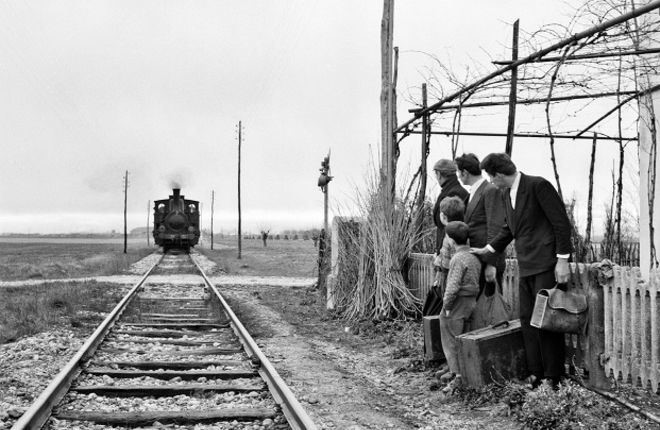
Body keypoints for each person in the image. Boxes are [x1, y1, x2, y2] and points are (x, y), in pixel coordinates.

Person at [472, 153, 572, 387]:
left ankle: (553, 376)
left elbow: (560, 223)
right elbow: (508, 229)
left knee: (546, 320)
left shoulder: (538, 185)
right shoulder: (506, 194)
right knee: (527, 319)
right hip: (526, 265)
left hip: (546, 263)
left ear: (498, 174)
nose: (491, 181)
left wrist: (563, 260)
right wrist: (487, 249)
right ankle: (536, 372)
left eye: (490, 176)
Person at [439, 221, 482, 392]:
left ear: (450, 239)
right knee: (464, 336)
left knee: (451, 336)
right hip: (471, 301)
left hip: (458, 302)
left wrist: (447, 306)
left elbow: (452, 286)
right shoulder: (473, 256)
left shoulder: (457, 259)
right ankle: (462, 372)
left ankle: (457, 375)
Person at [455, 153, 506, 295]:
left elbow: (495, 228)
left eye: (458, 172)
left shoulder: (490, 190)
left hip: (487, 262)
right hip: (477, 259)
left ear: (465, 172)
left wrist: (491, 264)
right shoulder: (474, 192)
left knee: (493, 309)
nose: (458, 176)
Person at [432, 159, 469, 286]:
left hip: (450, 251)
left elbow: (447, 226)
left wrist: (441, 254)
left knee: (447, 289)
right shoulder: (458, 191)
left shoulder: (452, 194)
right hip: (457, 251)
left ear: (439, 174)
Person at [434, 196, 466, 293]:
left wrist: (438, 261)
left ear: (443, 217)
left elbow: (446, 263)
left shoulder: (449, 235)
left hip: (449, 279)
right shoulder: (465, 230)